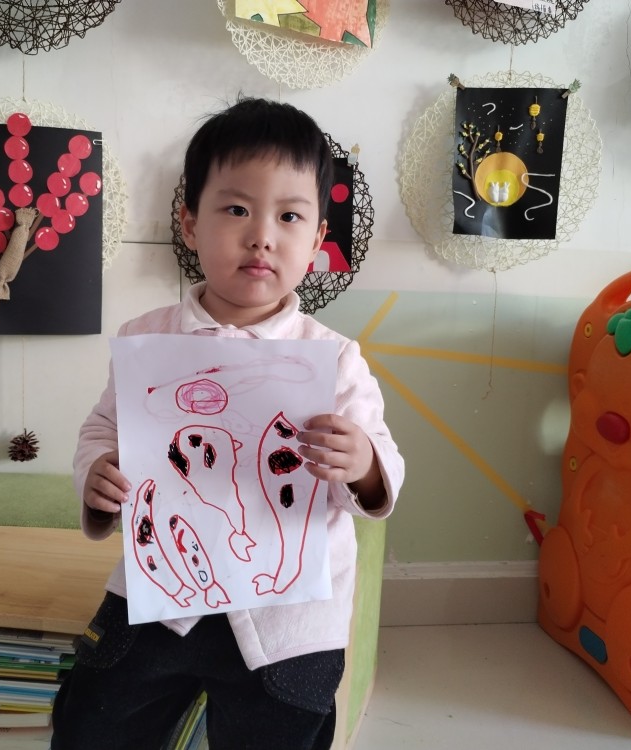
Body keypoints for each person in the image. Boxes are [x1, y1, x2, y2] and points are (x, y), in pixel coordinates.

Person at [51, 96, 405, 750]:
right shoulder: (147, 340)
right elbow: (102, 429)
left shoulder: (334, 359)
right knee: (91, 723)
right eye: (237, 209)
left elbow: (382, 470)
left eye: (289, 216)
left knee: (282, 732)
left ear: (317, 240)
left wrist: (362, 465)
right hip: (158, 596)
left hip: (289, 621)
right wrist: (97, 474)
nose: (262, 235)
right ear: (190, 224)